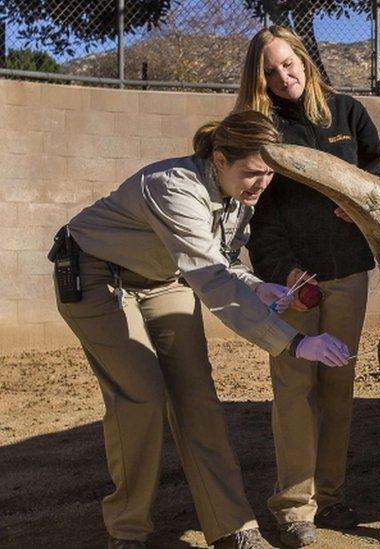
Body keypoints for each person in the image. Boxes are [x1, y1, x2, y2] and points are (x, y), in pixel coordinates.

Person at [53, 110, 351, 549]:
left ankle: (233, 527)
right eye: (252, 173)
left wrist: (258, 287)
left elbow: (224, 262)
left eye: (269, 174)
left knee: (198, 399)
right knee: (142, 394)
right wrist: (295, 343)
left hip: (164, 281)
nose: (261, 184)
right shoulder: (172, 186)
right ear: (218, 160)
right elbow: (211, 279)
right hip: (97, 276)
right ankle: (128, 530)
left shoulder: (238, 194)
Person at [233, 26, 380, 548]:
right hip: (296, 281)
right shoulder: (262, 131)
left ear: (304, 59)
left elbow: (375, 171)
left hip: (349, 275)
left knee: (338, 386)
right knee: (295, 389)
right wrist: (286, 273)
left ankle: (332, 495)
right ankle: (295, 507)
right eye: (270, 71)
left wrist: (362, 204)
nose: (283, 77)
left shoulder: (348, 113)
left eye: (288, 64)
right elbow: (261, 218)